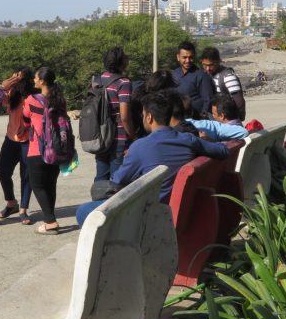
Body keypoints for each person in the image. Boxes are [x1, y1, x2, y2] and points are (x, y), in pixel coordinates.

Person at [76, 91, 230, 226]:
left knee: (84, 210)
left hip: (149, 211)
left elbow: (116, 182)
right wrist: (203, 142)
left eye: (143, 115)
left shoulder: (140, 146)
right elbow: (223, 151)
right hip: (183, 207)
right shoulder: (189, 140)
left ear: (149, 117)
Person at [22, 67, 66, 235]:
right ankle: (50, 217)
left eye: (35, 78)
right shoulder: (60, 100)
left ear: (42, 81)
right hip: (56, 149)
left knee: (37, 185)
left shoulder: (31, 100)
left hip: (37, 149)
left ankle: (50, 222)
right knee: (50, 185)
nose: (34, 80)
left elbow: (25, 118)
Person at [0, 68, 35, 224]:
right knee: (2, 171)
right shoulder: (12, 94)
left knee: (26, 175)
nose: (18, 82)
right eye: (16, 78)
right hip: (11, 140)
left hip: (28, 141)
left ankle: (23, 209)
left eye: (21, 79)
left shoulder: (34, 96)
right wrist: (8, 82)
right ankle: (11, 203)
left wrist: (27, 127)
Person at [93, 47, 136, 181]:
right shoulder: (123, 82)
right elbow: (124, 117)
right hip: (119, 139)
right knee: (116, 181)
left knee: (100, 178)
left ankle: (99, 201)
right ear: (121, 62)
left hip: (100, 136)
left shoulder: (97, 80)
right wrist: (133, 137)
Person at [200, 46, 246, 120]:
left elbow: (239, 100)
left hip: (227, 120)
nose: (208, 68)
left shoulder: (228, 76)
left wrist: (238, 119)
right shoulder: (204, 75)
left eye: (211, 65)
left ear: (218, 61)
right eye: (205, 65)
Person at [172, 41, 214, 118]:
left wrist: (203, 119)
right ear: (178, 57)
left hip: (196, 121)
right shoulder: (173, 74)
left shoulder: (201, 76)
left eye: (190, 57)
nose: (188, 61)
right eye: (184, 57)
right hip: (176, 121)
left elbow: (208, 100)